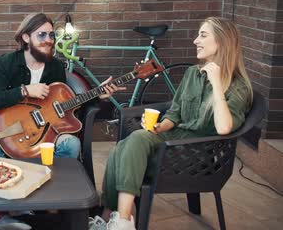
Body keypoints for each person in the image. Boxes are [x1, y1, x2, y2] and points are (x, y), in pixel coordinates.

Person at [91, 17, 253, 230]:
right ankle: (111, 218)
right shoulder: (193, 73)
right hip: (173, 140)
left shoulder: (239, 87)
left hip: (197, 153)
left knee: (134, 142)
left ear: (222, 42)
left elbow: (224, 128)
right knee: (122, 148)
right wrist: (160, 127)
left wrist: (216, 83)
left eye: (203, 35)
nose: (195, 40)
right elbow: (175, 113)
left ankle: (122, 220)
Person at [0, 12, 122, 160]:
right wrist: (25, 90)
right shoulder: (7, 63)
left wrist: (98, 95)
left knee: (72, 144)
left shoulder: (56, 67)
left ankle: (58, 182)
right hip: (9, 133)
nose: (48, 40)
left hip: (45, 134)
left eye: (51, 35)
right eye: (41, 35)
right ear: (26, 37)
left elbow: (63, 104)